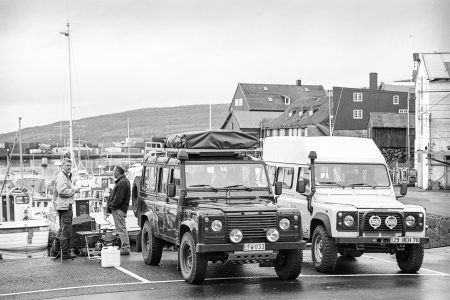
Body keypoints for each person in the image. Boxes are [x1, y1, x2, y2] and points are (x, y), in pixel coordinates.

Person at [54, 158, 80, 260]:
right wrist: (74, 190)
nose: (69, 167)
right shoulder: (62, 176)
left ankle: (59, 250)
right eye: (67, 165)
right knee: (66, 230)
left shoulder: (65, 176)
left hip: (64, 206)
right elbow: (62, 191)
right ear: (62, 166)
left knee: (63, 229)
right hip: (65, 206)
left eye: (70, 165)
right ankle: (64, 253)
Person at [107, 165, 131, 255]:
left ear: (117, 171)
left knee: (121, 229)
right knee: (121, 228)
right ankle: (124, 247)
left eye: (114, 171)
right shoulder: (124, 181)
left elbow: (118, 198)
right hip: (120, 209)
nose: (113, 173)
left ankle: (125, 248)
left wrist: (111, 206)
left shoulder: (121, 182)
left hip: (118, 209)